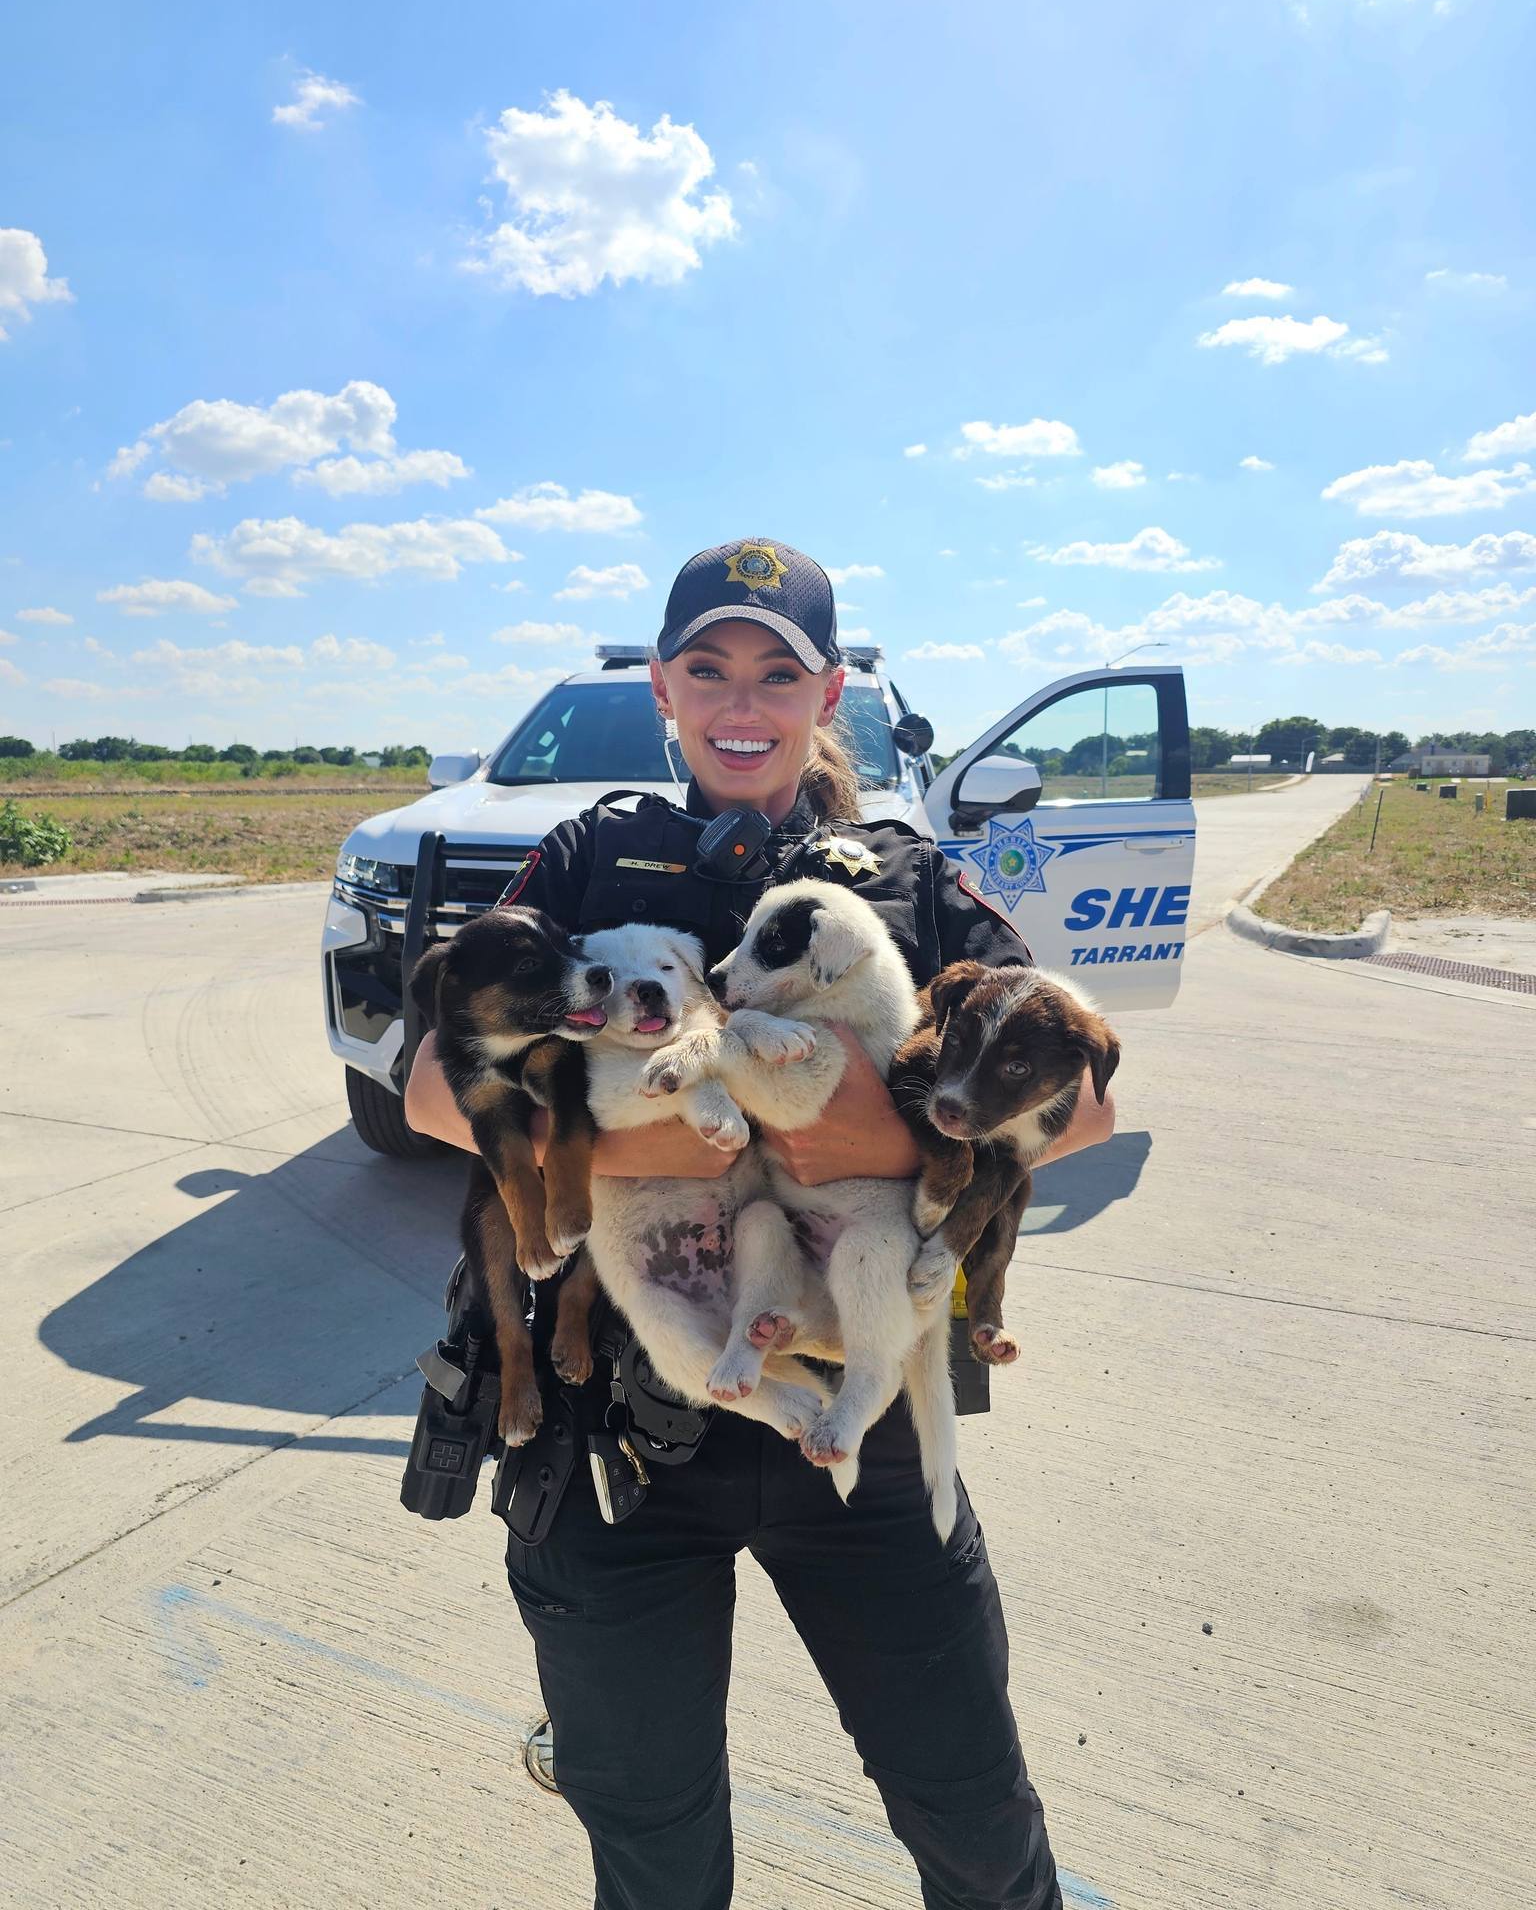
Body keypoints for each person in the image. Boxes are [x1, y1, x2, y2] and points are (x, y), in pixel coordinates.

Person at [406, 539, 1114, 1910]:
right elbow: (440, 1086)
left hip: (865, 1431)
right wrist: (753, 1123)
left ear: (827, 691)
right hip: (614, 1430)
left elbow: (1076, 1101)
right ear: (666, 688)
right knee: (654, 1850)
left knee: (975, 1825)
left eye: (777, 672)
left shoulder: (905, 880)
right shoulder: (586, 855)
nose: (744, 700)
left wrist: (840, 1131)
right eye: (711, 668)